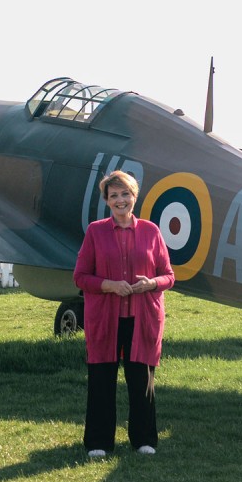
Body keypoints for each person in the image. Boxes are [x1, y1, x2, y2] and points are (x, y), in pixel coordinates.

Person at [73, 170, 174, 457]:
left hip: (142, 319)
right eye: (114, 195)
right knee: (101, 379)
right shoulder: (95, 231)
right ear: (107, 200)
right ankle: (98, 442)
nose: (121, 200)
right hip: (106, 318)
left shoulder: (151, 231)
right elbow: (80, 277)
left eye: (125, 194)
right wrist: (109, 285)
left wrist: (151, 283)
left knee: (142, 381)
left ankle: (144, 439)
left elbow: (169, 276)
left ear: (134, 197)